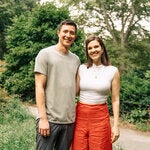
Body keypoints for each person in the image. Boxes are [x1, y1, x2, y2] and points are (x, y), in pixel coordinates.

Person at [34, 19, 80, 150]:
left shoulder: (76, 60)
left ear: (75, 36)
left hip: (69, 122)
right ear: (58, 33)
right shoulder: (45, 54)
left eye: (72, 33)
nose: (68, 35)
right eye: (65, 31)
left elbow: (75, 90)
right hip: (49, 120)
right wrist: (43, 118)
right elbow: (39, 87)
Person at [72, 35, 120, 150]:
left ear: (102, 49)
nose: (93, 50)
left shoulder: (113, 71)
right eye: (90, 48)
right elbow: (74, 92)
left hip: (100, 117)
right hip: (80, 116)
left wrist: (116, 125)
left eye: (96, 47)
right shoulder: (81, 68)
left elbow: (115, 99)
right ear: (87, 51)